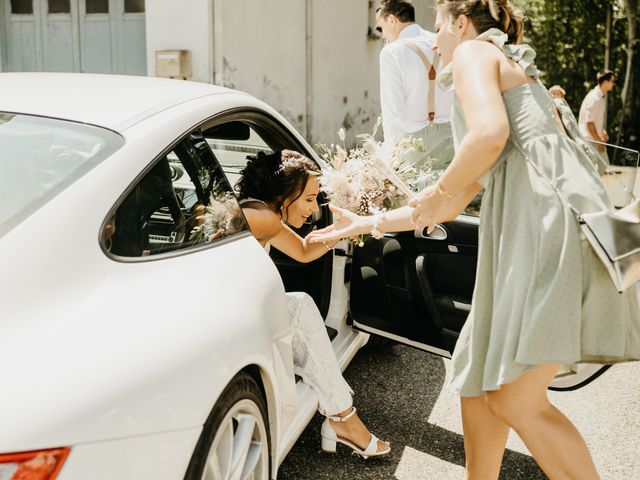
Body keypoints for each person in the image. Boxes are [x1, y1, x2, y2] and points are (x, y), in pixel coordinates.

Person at [309, 1, 640, 478]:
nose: (433, 40)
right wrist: (361, 225)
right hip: (534, 231)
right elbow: (446, 203)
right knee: (476, 374)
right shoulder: (495, 63)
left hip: (546, 229)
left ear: (460, 23)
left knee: (514, 399)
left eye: (439, 26)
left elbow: (486, 135)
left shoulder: (472, 54)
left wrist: (438, 187)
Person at [235, 149, 390, 458]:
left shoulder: (262, 214)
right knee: (299, 308)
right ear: (283, 194)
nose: (313, 209)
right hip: (228, 319)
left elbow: (304, 251)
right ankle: (342, 418)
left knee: (298, 307)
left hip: (237, 311)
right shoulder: (260, 217)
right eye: (307, 199)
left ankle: (342, 417)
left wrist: (347, 230)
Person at [376, 0, 455, 174]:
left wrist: (391, 157)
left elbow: (392, 111)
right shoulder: (439, 40)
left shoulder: (391, 52)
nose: (383, 35)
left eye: (381, 28)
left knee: (417, 199)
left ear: (391, 20)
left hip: (414, 146)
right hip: (451, 136)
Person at [549, 85, 604, 172]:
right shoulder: (557, 104)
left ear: (562, 95)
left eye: (556, 93)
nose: (553, 95)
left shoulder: (561, 104)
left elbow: (570, 123)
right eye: (552, 93)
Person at [578, 69, 616, 160]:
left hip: (595, 139)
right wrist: (599, 142)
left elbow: (594, 120)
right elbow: (589, 123)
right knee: (593, 171)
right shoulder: (594, 98)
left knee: (604, 168)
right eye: (612, 81)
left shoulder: (600, 96)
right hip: (590, 141)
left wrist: (602, 131)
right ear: (606, 81)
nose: (613, 84)